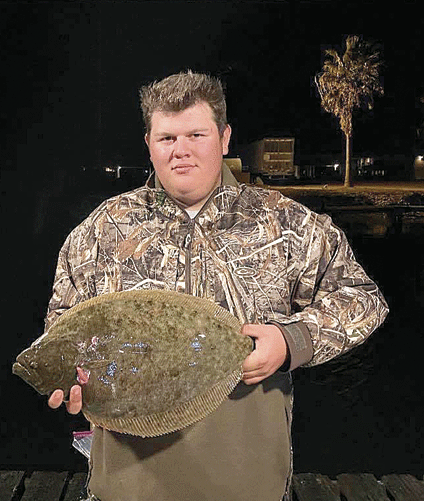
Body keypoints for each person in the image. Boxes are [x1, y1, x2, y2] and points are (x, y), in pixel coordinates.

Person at [45, 71, 388, 501]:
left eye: (196, 134)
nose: (181, 151)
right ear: (148, 144)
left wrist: (290, 341)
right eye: (167, 138)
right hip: (127, 487)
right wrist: (74, 379)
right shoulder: (102, 229)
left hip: (248, 485)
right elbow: (62, 326)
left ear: (225, 139)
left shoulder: (285, 222)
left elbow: (363, 298)